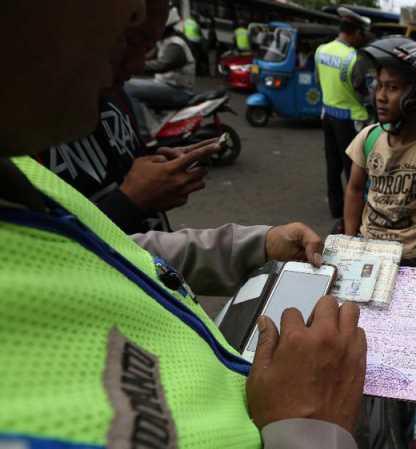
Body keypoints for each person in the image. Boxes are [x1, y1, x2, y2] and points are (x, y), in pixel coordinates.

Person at [0, 2, 366, 448]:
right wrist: (309, 432)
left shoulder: (21, 172)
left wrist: (255, 245)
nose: (144, 23)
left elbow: (113, 251)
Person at [39, 0, 217, 234]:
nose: (136, 64)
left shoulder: (116, 96)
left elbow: (128, 166)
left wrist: (159, 171)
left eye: (147, 46)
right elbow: (49, 254)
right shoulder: (22, 137)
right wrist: (130, 201)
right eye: (129, 41)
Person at [343, 37, 416, 283]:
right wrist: (349, 239)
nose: (380, 96)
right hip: (367, 248)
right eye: (379, 86)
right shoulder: (368, 137)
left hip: (409, 256)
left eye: (393, 88)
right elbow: (354, 189)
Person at [316, 7, 372, 232]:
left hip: (327, 114)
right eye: (362, 34)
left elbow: (321, 80)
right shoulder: (353, 58)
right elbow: (361, 91)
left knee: (332, 164)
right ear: (355, 32)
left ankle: (336, 207)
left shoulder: (321, 51)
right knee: (353, 169)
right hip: (350, 120)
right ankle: (353, 212)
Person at [125, 6, 196, 123]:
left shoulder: (176, 44)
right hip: (165, 84)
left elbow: (162, 65)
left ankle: (141, 132)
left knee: (128, 88)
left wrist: (136, 66)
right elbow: (148, 56)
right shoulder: (165, 41)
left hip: (178, 90)